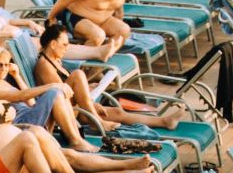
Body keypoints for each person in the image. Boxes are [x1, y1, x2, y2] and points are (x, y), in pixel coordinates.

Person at [0, 73, 155, 173]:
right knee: (68, 157)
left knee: (64, 160)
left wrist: (7, 117)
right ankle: (124, 165)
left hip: (22, 142)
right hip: (8, 158)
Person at [30, 22, 185, 131]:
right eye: (64, 44)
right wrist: (88, 101)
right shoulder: (45, 66)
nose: (67, 48)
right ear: (53, 44)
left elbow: (69, 91)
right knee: (78, 74)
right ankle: (96, 121)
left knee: (117, 112)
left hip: (78, 109)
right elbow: (62, 98)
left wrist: (87, 91)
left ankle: (164, 121)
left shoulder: (55, 60)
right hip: (66, 114)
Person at [0, 45, 86, 142]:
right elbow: (20, 96)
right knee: (54, 92)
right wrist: (52, 85)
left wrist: (17, 76)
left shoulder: (2, 82)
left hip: (30, 116)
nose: (4, 68)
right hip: (22, 125)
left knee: (59, 92)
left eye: (7, 65)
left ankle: (77, 137)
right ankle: (75, 141)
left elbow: (31, 102)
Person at [47, 0, 136, 50]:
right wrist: (50, 18)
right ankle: (80, 60)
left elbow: (118, 11)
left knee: (124, 31)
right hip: (76, 17)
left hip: (103, 20)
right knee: (98, 36)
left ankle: (102, 57)